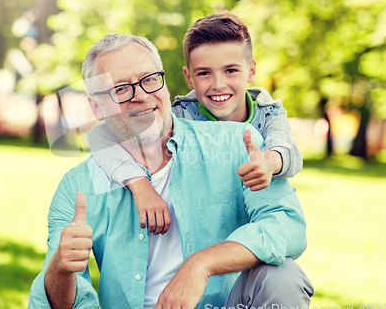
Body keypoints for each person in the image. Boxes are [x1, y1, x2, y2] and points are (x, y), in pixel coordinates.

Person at [28, 33, 313, 309]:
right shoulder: (78, 185)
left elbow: (287, 225)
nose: (140, 95)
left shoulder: (237, 144)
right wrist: (61, 270)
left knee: (282, 275)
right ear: (96, 107)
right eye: (120, 89)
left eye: (149, 79)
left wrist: (202, 264)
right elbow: (54, 308)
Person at [87, 12, 302, 235]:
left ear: (251, 71)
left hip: (255, 227)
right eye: (204, 73)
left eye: (230, 70)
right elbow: (100, 136)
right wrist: (139, 185)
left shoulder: (268, 113)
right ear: (189, 77)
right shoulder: (181, 114)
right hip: (207, 231)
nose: (218, 84)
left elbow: (287, 149)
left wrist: (271, 161)